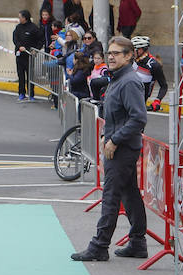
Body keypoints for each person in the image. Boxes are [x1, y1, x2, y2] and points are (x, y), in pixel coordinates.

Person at [71, 36, 148, 261]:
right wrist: (108, 135)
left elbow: (138, 118)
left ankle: (99, 245)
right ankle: (137, 242)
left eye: (116, 53)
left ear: (129, 55)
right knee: (129, 194)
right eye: (109, 53)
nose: (111, 57)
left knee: (111, 195)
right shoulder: (117, 78)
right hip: (118, 145)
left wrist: (114, 140)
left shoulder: (129, 81)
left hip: (122, 148)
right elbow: (116, 115)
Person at [131, 36, 168, 112]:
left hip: (140, 104)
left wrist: (157, 100)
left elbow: (164, 86)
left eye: (133, 50)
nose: (131, 52)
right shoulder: (130, 60)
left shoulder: (154, 65)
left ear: (141, 50)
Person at [13, 10, 41, 102]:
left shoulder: (34, 28)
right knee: (21, 75)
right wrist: (19, 46)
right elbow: (15, 38)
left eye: (20, 17)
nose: (19, 19)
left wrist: (35, 50)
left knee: (30, 76)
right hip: (20, 55)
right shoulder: (18, 27)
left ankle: (31, 94)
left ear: (25, 18)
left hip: (29, 56)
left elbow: (40, 40)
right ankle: (21, 93)